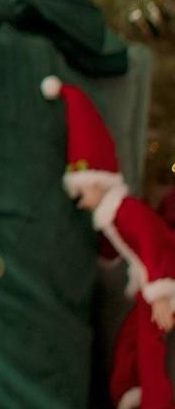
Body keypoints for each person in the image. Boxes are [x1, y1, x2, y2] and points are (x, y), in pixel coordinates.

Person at [40, 77, 175, 409]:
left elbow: (153, 242)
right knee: (133, 347)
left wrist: (161, 294)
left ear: (99, 181)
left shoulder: (128, 212)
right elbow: (118, 247)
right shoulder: (111, 217)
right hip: (146, 289)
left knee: (154, 354)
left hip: (161, 286)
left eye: (83, 190)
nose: (80, 199)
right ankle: (135, 396)